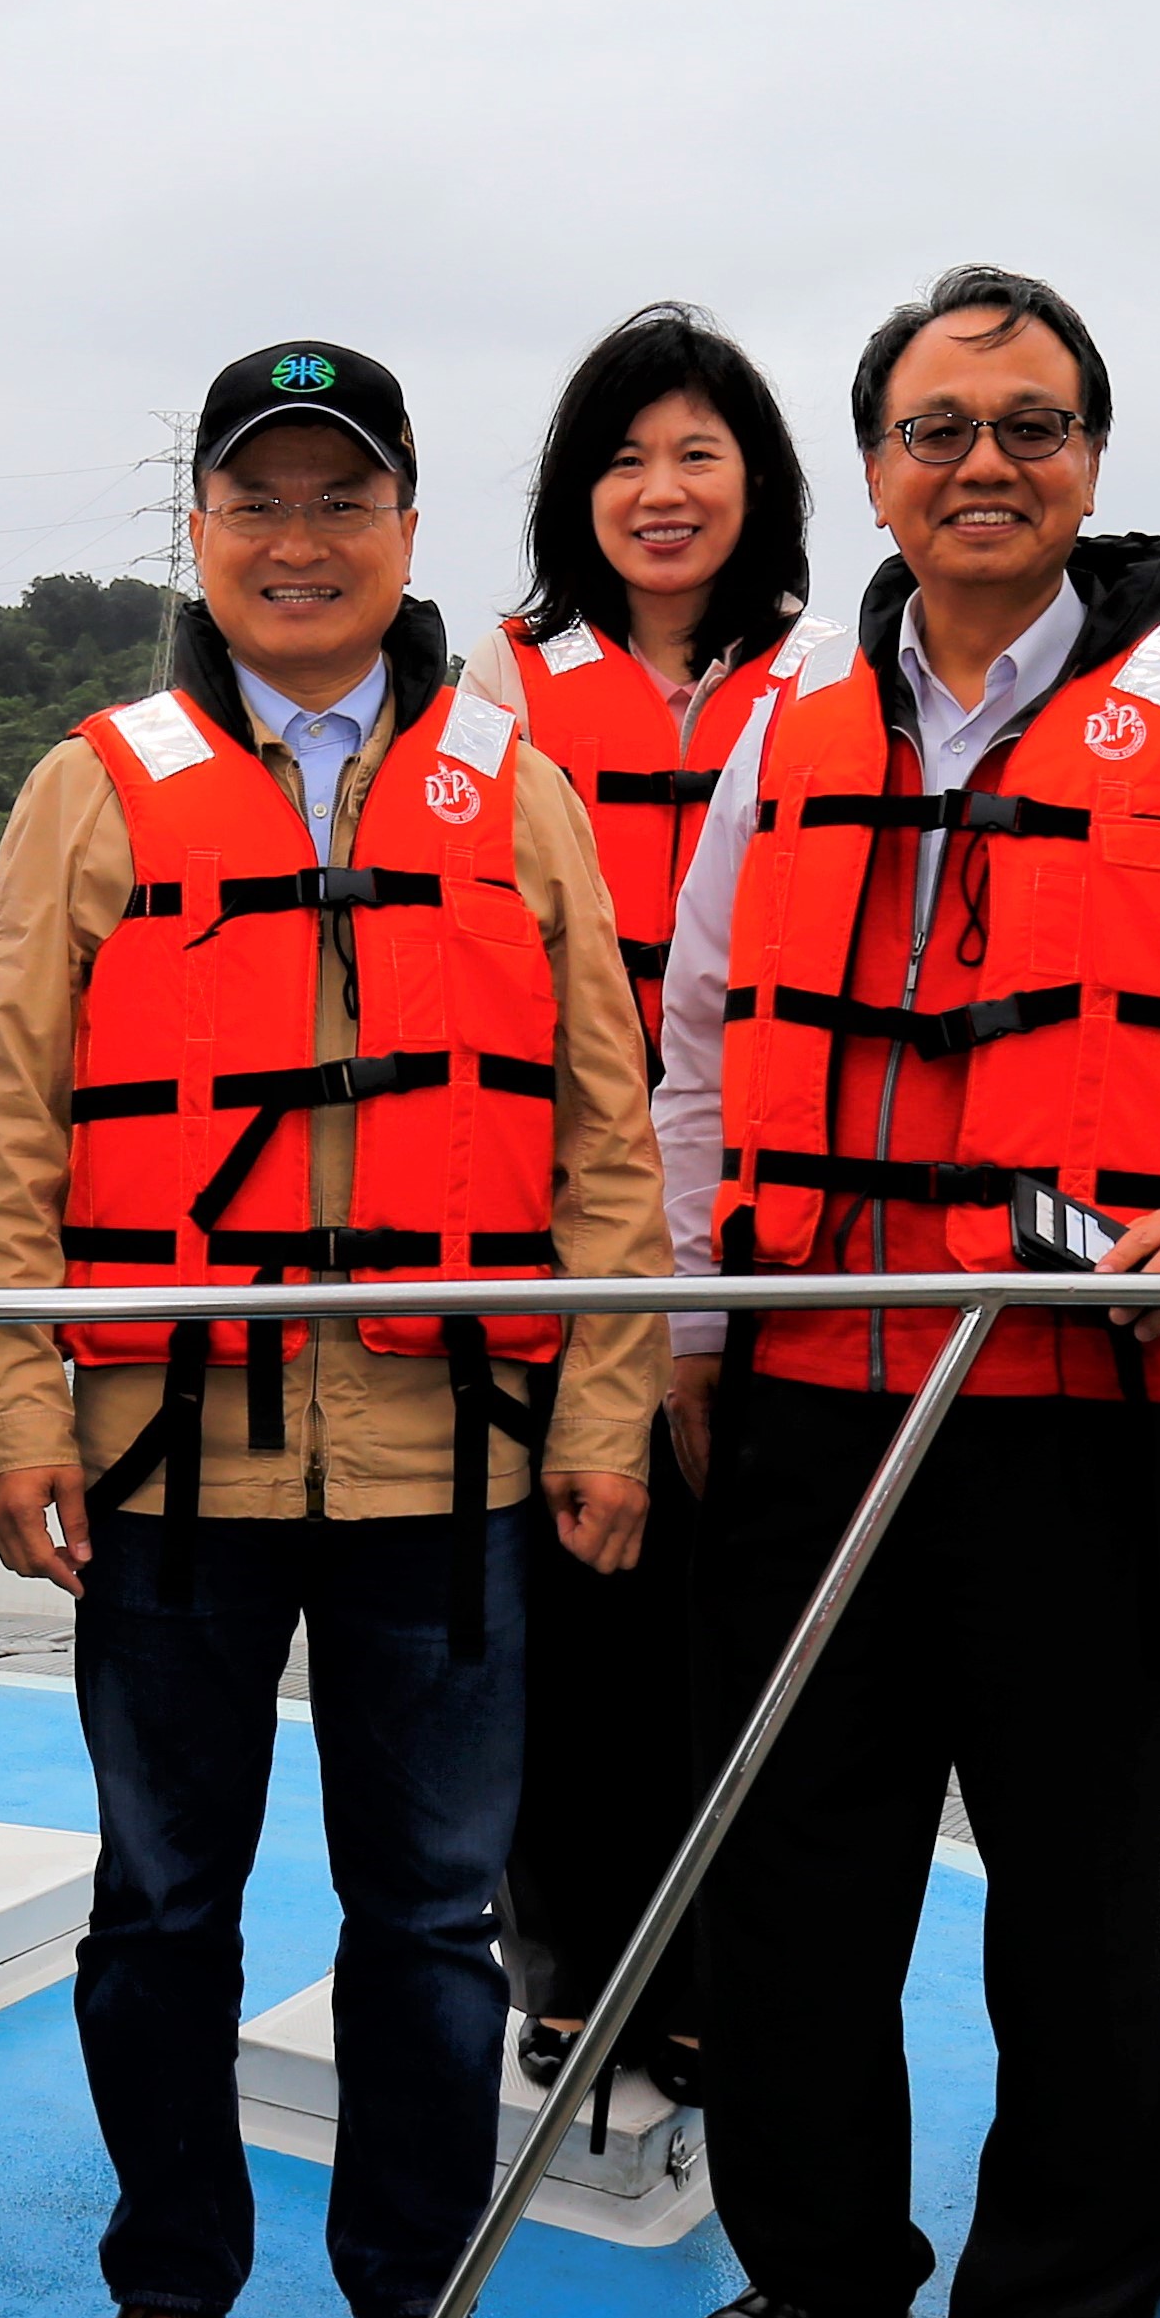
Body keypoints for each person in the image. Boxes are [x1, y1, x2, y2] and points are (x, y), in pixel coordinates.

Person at [648, 265, 1160, 2318]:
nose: (986, 463)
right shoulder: (784, 723)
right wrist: (683, 1332)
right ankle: (822, 2273)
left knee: (1095, 1898)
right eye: (941, 425)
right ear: (870, 465)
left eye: (1033, 425)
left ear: (1089, 461)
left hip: (1089, 1413)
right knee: (790, 1879)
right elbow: (693, 1049)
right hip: (811, 1398)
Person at [0, 339, 666, 2318]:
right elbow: (6, 1119)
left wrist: (606, 1407)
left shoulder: (510, 784)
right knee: (162, 1905)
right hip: (171, 1456)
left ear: (406, 536)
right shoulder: (96, 780)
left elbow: (603, 1136)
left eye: (340, 499)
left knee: (429, 1924)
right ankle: (169, 2297)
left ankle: (416, 2304)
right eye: (256, 500)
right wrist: (11, 1402)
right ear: (200, 538)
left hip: (450, 1463)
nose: (297, 538)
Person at [456, 304, 820, 2099]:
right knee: (571, 1617)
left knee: (739, 1628)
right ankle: (572, 1963)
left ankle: (722, 1964)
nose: (660, 491)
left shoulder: (832, 684)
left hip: (774, 1228)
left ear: (757, 480)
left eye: (695, 453)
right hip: (563, 1216)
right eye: (620, 458)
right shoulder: (504, 685)